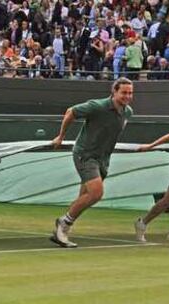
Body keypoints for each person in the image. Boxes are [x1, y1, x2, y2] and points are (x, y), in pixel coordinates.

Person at [50, 77, 134, 248]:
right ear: (114, 92)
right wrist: (61, 136)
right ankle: (63, 224)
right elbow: (70, 112)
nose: (127, 96)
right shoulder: (98, 106)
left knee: (84, 196)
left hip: (103, 158)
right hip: (85, 154)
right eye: (124, 92)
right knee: (96, 193)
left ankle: (63, 230)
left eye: (130, 93)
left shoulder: (128, 112)